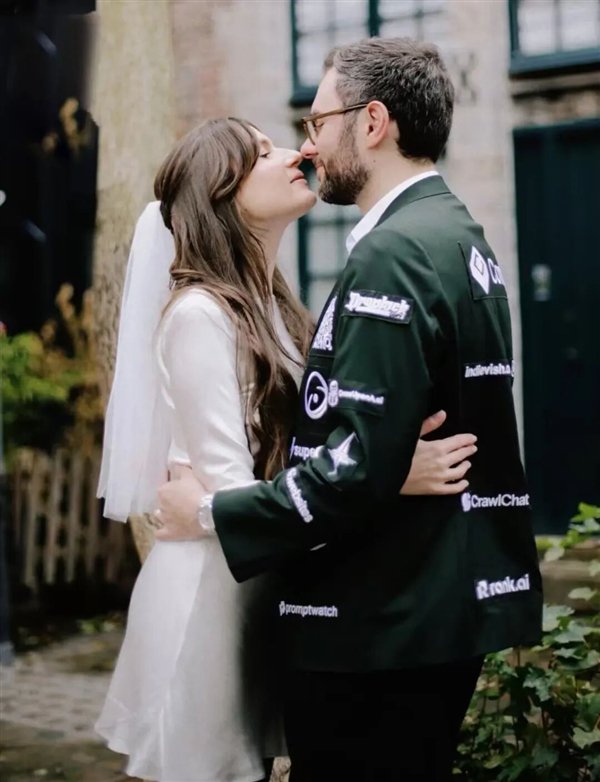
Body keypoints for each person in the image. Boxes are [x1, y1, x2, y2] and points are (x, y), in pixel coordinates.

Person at [156, 38, 544, 782]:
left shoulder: (391, 253)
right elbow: (376, 448)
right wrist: (389, 463)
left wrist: (206, 512)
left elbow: (353, 469)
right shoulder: (456, 233)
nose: (308, 146)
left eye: (316, 122)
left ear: (371, 122)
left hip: (381, 622)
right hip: (432, 609)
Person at [96, 116, 477, 782]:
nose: (293, 153)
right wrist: (383, 477)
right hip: (210, 600)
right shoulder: (199, 316)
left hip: (263, 585)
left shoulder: (278, 308)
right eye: (263, 153)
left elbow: (310, 447)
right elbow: (233, 490)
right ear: (221, 193)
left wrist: (378, 458)